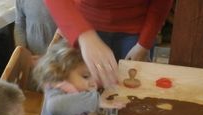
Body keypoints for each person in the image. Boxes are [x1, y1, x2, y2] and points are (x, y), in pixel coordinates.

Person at [44, 0, 174, 88]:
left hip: (136, 35)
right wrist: (80, 32)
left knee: (130, 102)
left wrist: (144, 43)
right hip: (83, 22)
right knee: (71, 101)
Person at [14, 0, 57, 64]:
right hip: (32, 58)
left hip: (58, 57)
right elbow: (20, 25)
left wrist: (49, 57)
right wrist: (23, 52)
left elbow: (68, 29)